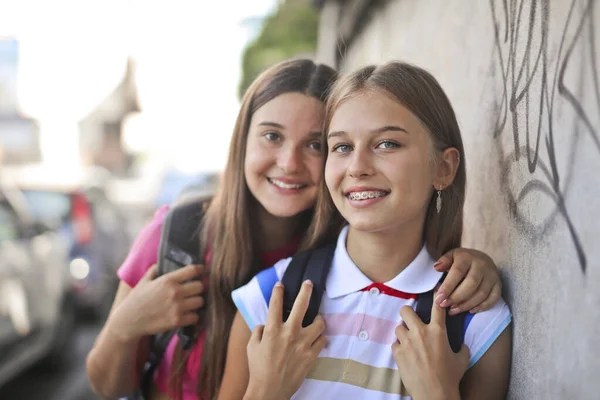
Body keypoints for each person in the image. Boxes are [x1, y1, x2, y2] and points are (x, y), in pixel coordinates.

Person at [87, 59, 505, 400]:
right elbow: (106, 384)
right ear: (242, 142)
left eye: (316, 145)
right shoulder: (237, 272)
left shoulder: (469, 315)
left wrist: (477, 263)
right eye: (272, 136)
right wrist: (125, 325)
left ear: (444, 167)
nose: (289, 162)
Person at [225, 61, 512, 400]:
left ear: (444, 168)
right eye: (342, 147)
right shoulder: (272, 298)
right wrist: (264, 390)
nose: (357, 167)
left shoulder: (475, 321)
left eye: (387, 144)